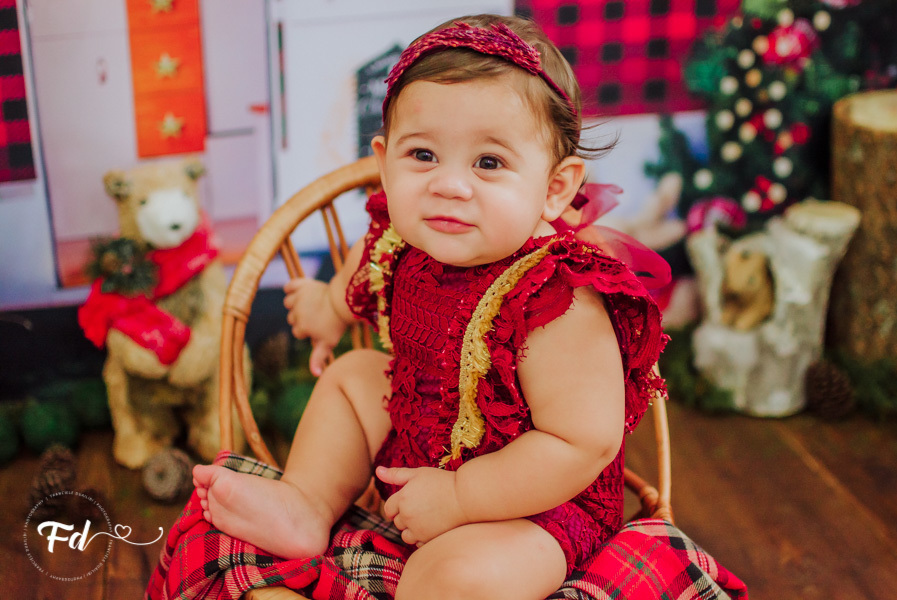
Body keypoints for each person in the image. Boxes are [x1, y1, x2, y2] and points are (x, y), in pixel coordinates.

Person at [193, 13, 667, 600]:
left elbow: (582, 444)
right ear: (385, 160)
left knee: (453, 576)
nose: (448, 184)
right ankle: (307, 504)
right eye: (422, 155)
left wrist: (461, 497)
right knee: (354, 376)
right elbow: (363, 267)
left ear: (554, 188)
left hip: (536, 508)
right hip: (420, 443)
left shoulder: (557, 296)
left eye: (488, 163)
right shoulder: (405, 235)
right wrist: (330, 310)